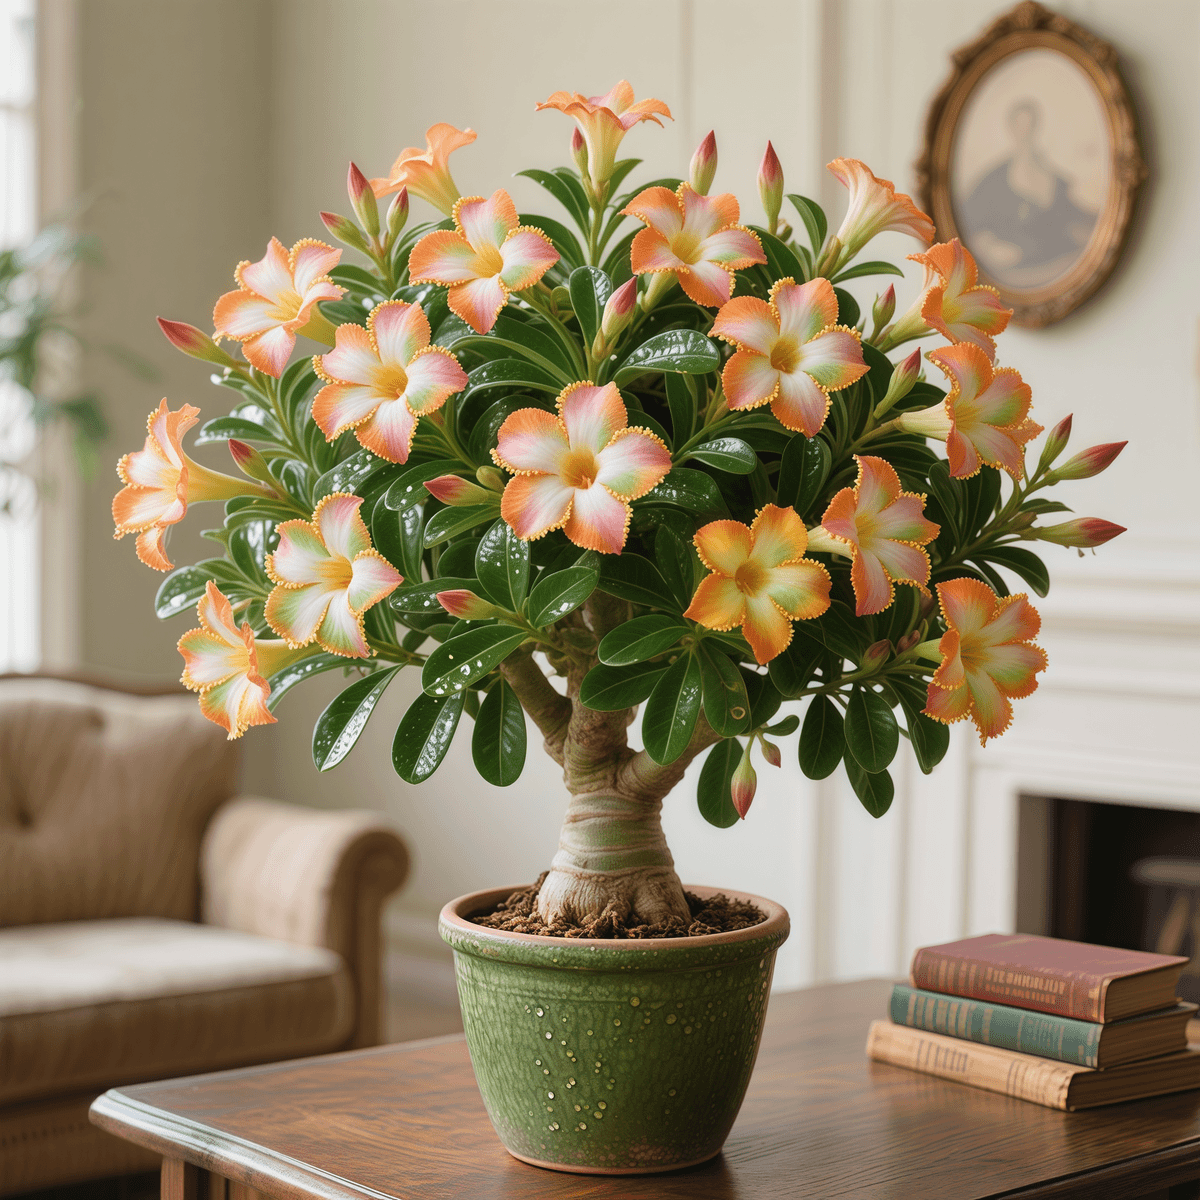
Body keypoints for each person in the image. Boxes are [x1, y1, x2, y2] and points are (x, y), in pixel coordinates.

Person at [958, 98, 1097, 286]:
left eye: (1030, 125)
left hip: (1060, 269)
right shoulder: (993, 181)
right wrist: (989, 247)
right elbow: (968, 223)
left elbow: (1071, 214)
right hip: (1015, 276)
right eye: (1020, 125)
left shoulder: (1054, 178)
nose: (1025, 132)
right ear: (1011, 128)